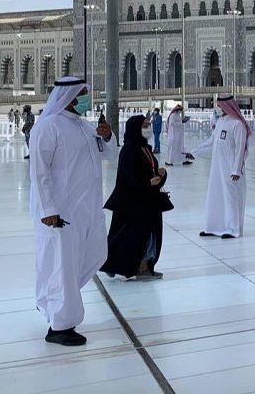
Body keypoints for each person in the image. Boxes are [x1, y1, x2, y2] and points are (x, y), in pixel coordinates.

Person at [29, 76, 114, 346]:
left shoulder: (85, 126)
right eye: (83, 94)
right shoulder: (48, 126)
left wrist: (107, 136)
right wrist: (48, 209)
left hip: (87, 209)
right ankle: (60, 325)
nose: (87, 99)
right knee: (62, 266)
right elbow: (39, 172)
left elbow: (108, 154)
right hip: (61, 213)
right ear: (69, 96)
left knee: (92, 255)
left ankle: (56, 301)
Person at [101, 115, 167, 280]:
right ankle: (136, 267)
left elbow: (150, 172)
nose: (148, 128)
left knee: (138, 235)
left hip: (146, 200)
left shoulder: (144, 148)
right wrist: (147, 183)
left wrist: (160, 175)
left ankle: (117, 264)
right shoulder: (129, 150)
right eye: (144, 125)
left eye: (148, 125)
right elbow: (128, 179)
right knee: (133, 236)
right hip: (133, 202)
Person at [191, 95, 250, 238]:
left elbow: (240, 149)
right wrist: (194, 152)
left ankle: (233, 229)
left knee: (230, 198)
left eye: (220, 106)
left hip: (231, 169)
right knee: (215, 196)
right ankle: (213, 227)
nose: (218, 108)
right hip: (217, 168)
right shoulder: (221, 121)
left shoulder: (238, 124)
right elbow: (212, 141)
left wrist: (236, 170)